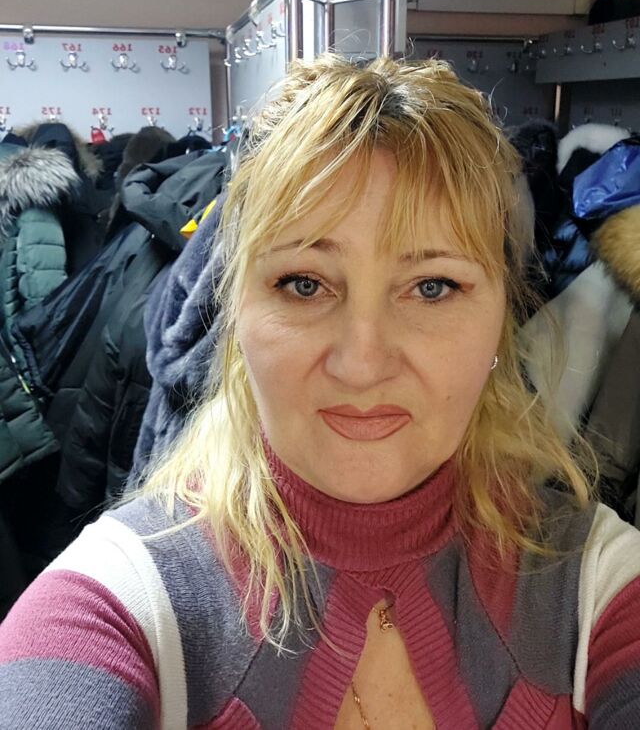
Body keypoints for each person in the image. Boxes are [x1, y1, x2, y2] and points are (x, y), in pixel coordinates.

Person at [1, 55, 639, 729]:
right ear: (235, 313)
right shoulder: (124, 598)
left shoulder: (595, 583)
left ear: (500, 324)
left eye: (432, 287)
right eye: (304, 284)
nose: (362, 365)